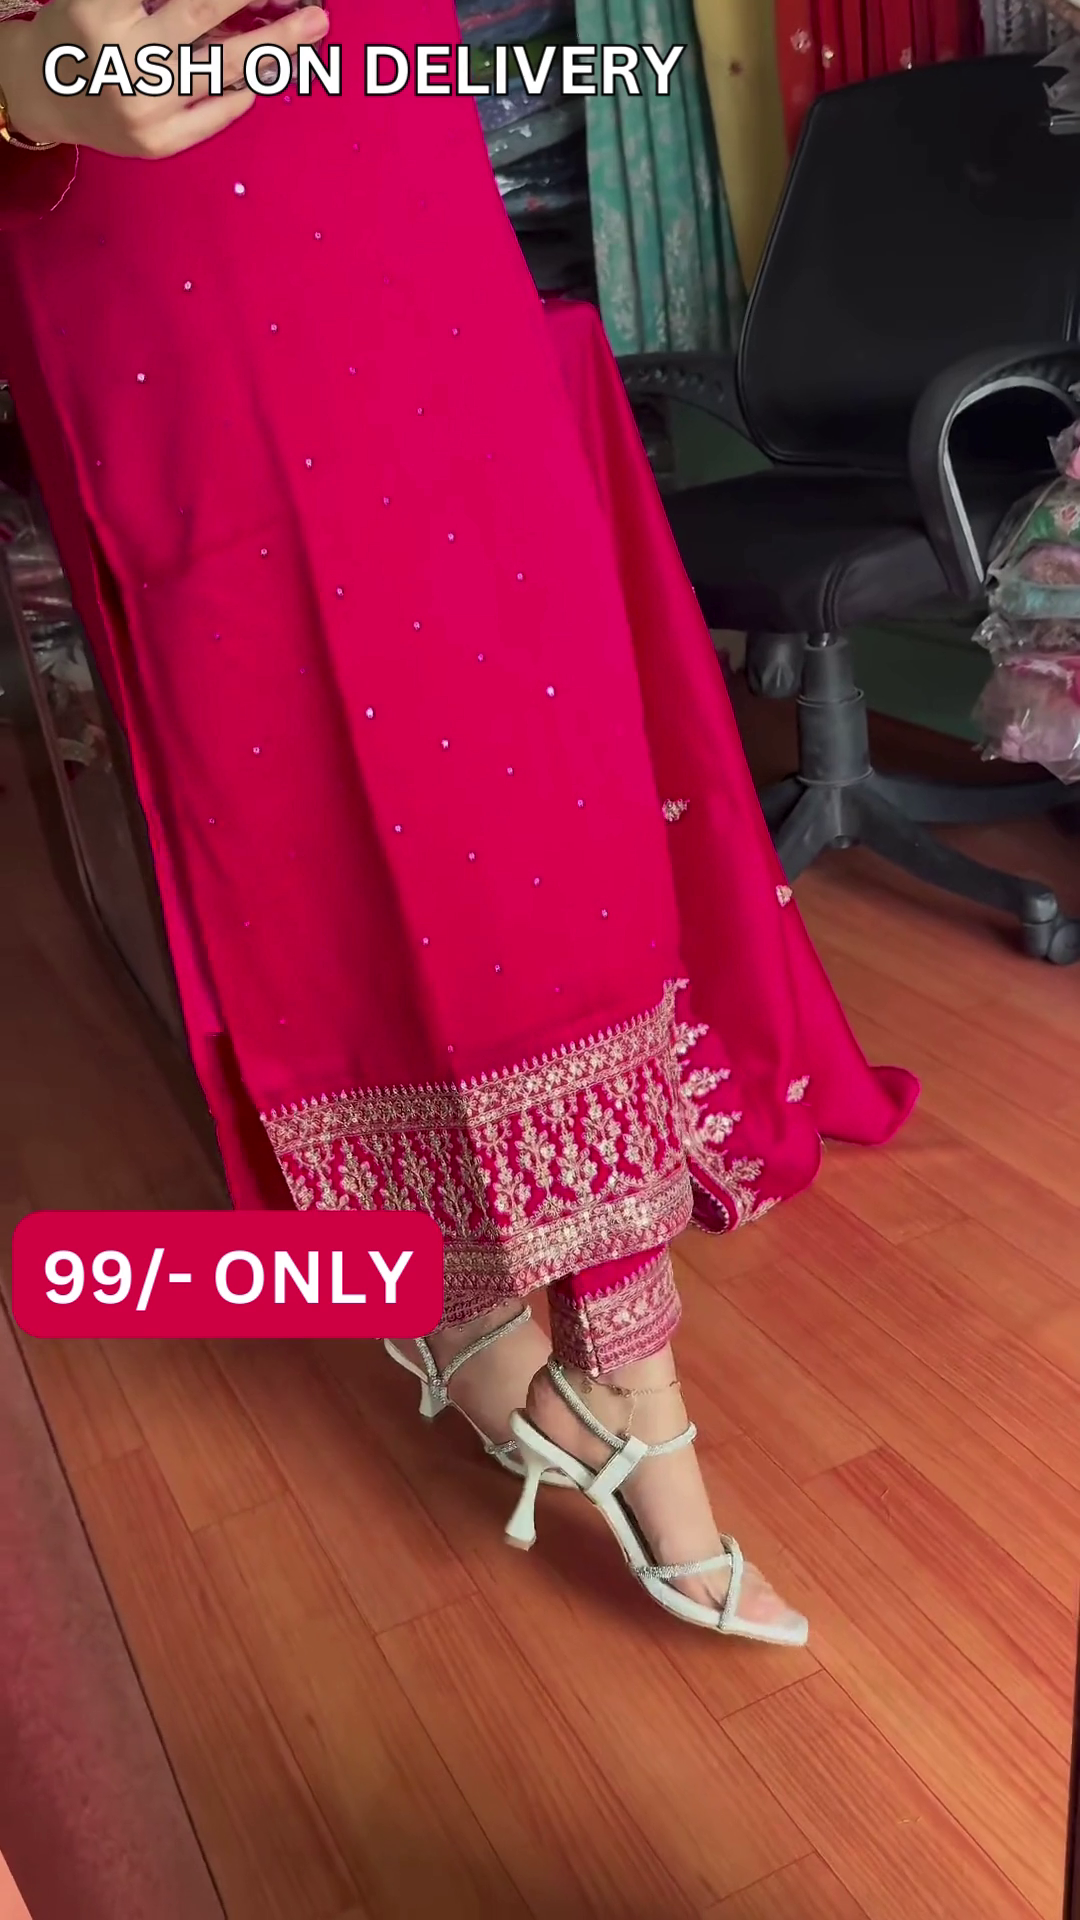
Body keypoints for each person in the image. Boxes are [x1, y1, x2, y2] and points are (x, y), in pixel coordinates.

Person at [0, 0, 916, 1646]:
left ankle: (623, 1361)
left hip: (382, 141)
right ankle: (472, 1314)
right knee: (277, 754)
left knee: (524, 745)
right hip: (122, 219)